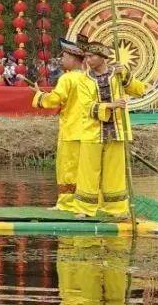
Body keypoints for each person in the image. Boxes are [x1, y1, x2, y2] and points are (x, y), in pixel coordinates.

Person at [62, 38, 148, 218]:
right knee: (88, 171)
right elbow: (87, 106)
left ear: (103, 57)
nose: (88, 60)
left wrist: (125, 75)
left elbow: (139, 90)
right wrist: (111, 106)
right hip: (92, 131)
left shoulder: (117, 74)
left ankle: (116, 209)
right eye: (86, 56)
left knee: (115, 171)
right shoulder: (84, 80)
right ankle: (85, 209)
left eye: (92, 56)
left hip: (116, 130)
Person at [30, 37, 89, 211]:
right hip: (88, 131)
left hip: (71, 130)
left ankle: (67, 203)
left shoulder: (67, 78)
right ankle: (85, 202)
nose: (62, 59)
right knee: (85, 168)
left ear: (72, 58)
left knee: (68, 168)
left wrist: (39, 95)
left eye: (64, 56)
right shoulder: (89, 78)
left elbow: (55, 100)